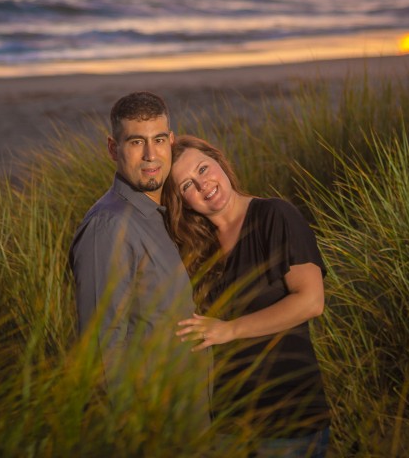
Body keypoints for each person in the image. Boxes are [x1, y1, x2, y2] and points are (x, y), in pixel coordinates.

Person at [163, 135, 330, 458]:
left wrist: (230, 329)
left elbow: (311, 301)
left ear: (220, 163)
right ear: (181, 200)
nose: (203, 185)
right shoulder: (196, 249)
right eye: (187, 185)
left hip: (288, 416)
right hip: (228, 420)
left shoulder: (274, 215)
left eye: (203, 168)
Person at [69, 92, 209, 422]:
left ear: (171, 142)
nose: (150, 154)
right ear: (113, 148)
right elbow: (101, 348)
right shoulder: (109, 226)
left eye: (158, 139)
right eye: (135, 142)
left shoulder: (164, 215)